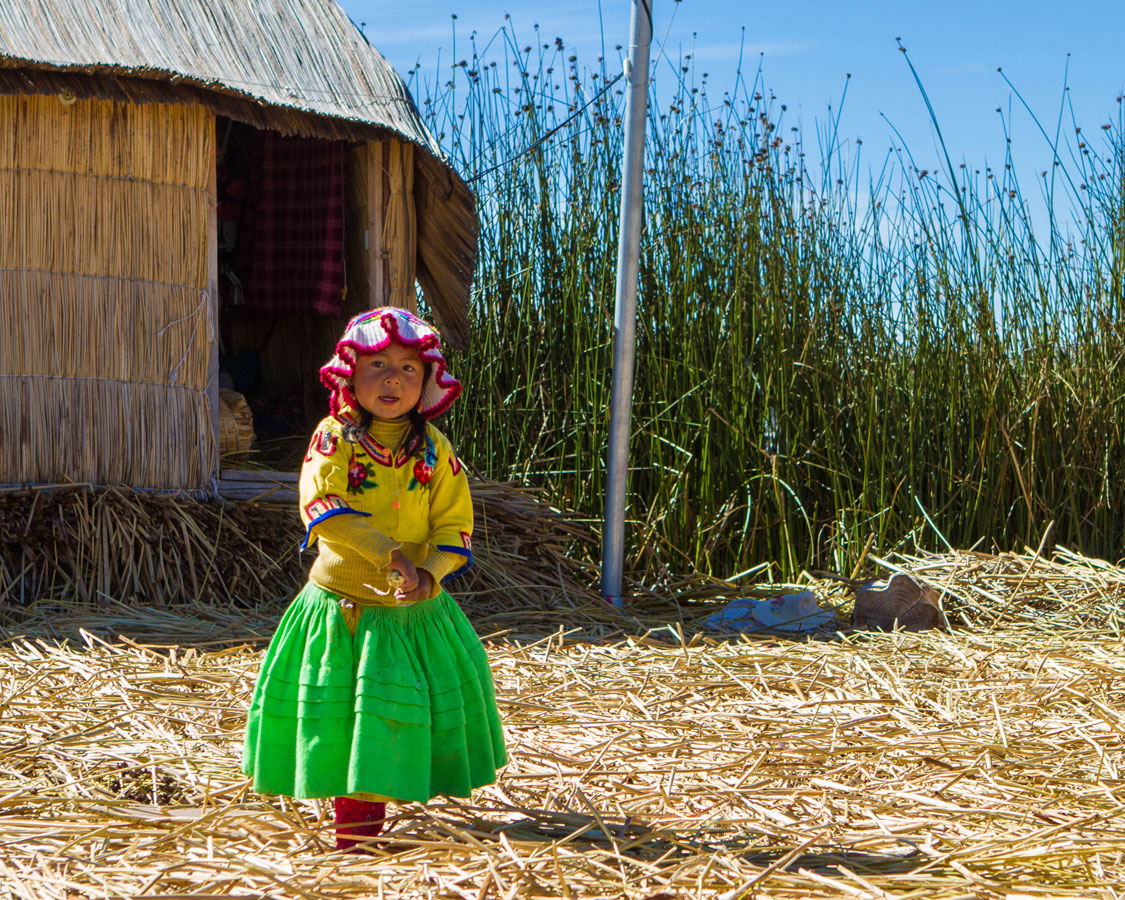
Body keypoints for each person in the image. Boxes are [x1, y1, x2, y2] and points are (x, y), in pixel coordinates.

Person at [242, 307, 507, 851]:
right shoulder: (333, 437)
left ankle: (375, 819)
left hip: (414, 614)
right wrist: (391, 556)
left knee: (393, 717)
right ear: (349, 372)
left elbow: (455, 524)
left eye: (409, 369)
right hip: (344, 609)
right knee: (346, 718)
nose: (393, 379)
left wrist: (430, 574)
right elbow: (324, 504)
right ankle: (355, 840)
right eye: (378, 364)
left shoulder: (435, 448)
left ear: (428, 382)